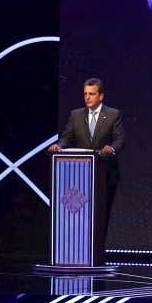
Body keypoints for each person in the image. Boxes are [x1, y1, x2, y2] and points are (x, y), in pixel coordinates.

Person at [49, 78, 125, 260]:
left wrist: (111, 149)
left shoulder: (113, 114)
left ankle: (97, 254)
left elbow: (120, 139)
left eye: (92, 94)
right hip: (80, 177)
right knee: (79, 213)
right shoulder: (76, 115)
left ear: (101, 96)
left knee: (101, 216)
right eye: (85, 94)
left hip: (105, 174)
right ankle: (76, 253)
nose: (87, 98)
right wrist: (59, 145)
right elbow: (67, 137)